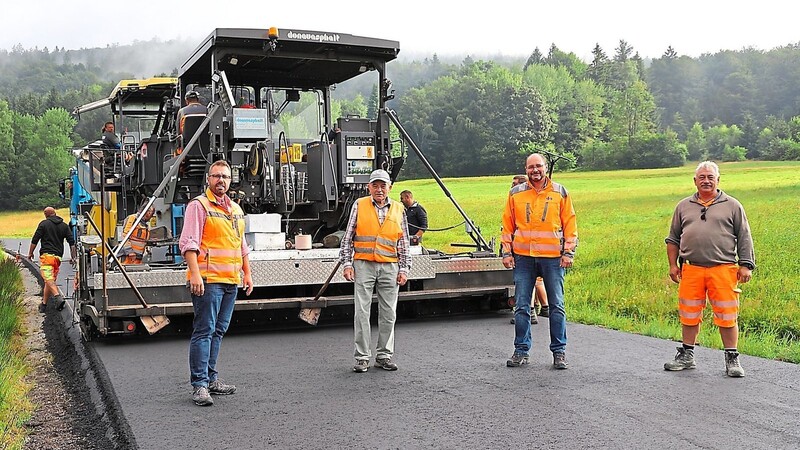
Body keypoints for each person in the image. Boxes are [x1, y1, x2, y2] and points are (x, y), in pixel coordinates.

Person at [664, 161, 755, 378]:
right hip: (691, 269)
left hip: (723, 269)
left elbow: (744, 236)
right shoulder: (683, 206)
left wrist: (746, 265)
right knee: (689, 314)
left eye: (710, 177)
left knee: (727, 315)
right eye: (702, 177)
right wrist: (672, 265)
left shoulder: (732, 205)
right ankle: (686, 355)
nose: (706, 181)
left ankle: (732, 358)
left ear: (718, 180)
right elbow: (673, 238)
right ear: (695, 181)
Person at [179, 160, 254, 406]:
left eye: (225, 176)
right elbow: (189, 243)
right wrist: (195, 275)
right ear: (208, 179)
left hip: (230, 281)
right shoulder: (198, 206)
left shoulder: (235, 209)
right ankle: (199, 385)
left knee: (218, 331)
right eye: (216, 176)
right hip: (208, 281)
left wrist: (247, 274)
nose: (221, 180)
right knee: (204, 330)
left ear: (231, 181)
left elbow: (241, 245)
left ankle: (211, 379)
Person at [501, 154, 577, 369]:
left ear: (545, 168)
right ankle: (521, 351)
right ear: (525, 169)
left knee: (557, 306)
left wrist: (568, 252)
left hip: (553, 258)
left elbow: (570, 224)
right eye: (530, 167)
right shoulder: (516, 193)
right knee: (522, 306)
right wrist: (507, 253)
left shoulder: (560, 192)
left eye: (538, 166)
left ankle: (559, 352)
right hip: (524, 257)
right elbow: (507, 224)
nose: (535, 170)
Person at [339, 169, 410, 373]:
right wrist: (347, 264)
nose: (379, 189)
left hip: (390, 266)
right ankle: (362, 357)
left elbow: (403, 242)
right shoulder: (359, 205)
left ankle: (384, 356)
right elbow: (348, 237)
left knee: (389, 313)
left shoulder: (398, 209)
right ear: (369, 187)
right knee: (362, 312)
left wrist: (404, 269)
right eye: (375, 185)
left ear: (390, 188)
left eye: (383, 185)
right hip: (363, 265)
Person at [508, 175, 549, 325]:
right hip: (534, 249)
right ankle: (543, 308)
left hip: (528, 250)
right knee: (538, 281)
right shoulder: (520, 198)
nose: (511, 186)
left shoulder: (523, 200)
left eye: (514, 184)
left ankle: (531, 311)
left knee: (531, 283)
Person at [28, 207, 76, 313]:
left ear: (45, 214)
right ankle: (44, 304)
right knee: (50, 281)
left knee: (48, 278)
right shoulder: (64, 226)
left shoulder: (43, 224)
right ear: (55, 213)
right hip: (57, 258)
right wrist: (73, 257)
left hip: (47, 256)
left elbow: (35, 239)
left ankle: (58, 297)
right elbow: (71, 242)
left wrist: (30, 253)